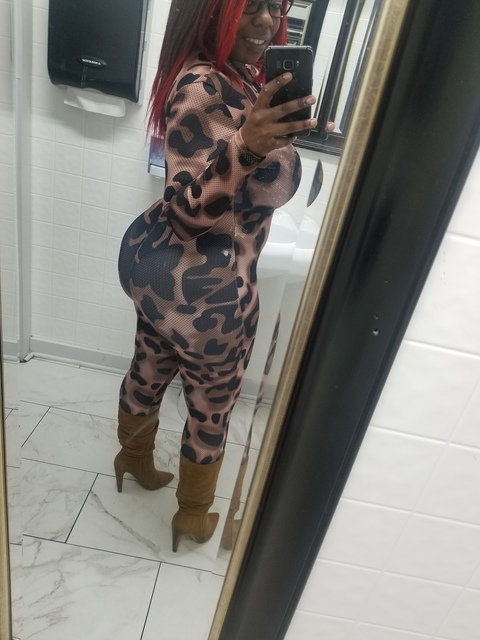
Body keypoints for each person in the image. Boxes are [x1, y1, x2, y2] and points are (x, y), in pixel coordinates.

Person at [114, 0, 317, 553]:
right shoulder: (205, 84)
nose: (267, 21)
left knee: (149, 367)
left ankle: (132, 461)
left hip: (161, 276)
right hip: (212, 294)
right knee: (211, 408)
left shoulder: (233, 79)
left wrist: (273, 130)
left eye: (275, 6)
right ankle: (193, 514)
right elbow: (185, 211)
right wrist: (249, 145)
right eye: (250, 6)